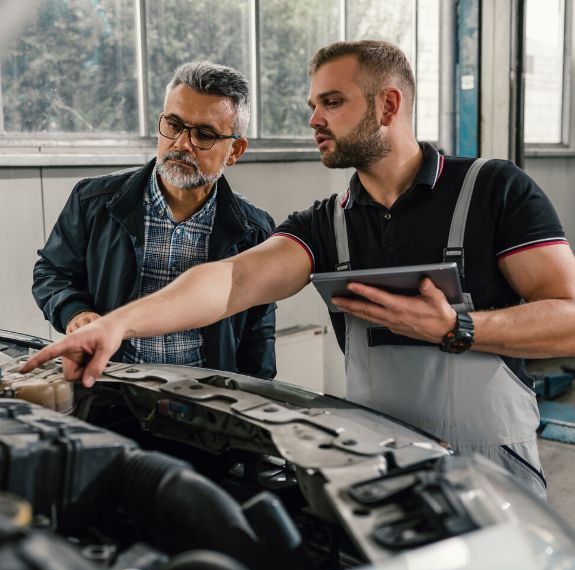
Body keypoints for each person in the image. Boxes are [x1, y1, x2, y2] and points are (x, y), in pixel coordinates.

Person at [23, 40, 575, 498]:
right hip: (378, 462)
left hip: (492, 463)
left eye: (331, 102)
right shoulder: (325, 224)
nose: (313, 119)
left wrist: (460, 327)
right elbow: (232, 279)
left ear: (387, 106)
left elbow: (569, 318)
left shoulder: (494, 190)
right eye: (313, 103)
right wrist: (116, 324)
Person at [31, 61, 276, 379]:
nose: (182, 144)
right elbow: (51, 273)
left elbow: (258, 333)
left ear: (235, 151)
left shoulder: (253, 231)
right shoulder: (92, 202)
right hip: (111, 386)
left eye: (204, 134)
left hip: (207, 400)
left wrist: (257, 402)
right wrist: (75, 313)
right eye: (174, 125)